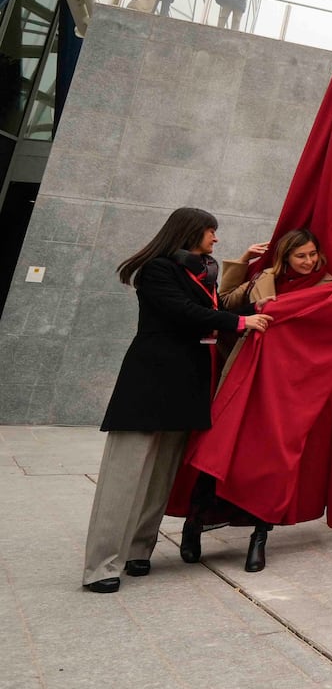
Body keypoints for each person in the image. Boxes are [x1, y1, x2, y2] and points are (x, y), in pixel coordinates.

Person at [81, 208, 272, 592]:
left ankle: (138, 551)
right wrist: (238, 323)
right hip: (149, 384)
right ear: (189, 231)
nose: (215, 239)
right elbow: (183, 312)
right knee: (125, 478)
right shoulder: (158, 270)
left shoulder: (199, 272)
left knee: (160, 478)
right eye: (210, 232)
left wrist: (260, 304)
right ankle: (101, 566)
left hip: (187, 387)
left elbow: (215, 307)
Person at [176, 229, 332, 573]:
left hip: (288, 385)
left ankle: (259, 537)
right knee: (217, 450)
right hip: (243, 375)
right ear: (284, 258)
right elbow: (225, 302)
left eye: (312, 254)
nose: (309, 261)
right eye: (301, 256)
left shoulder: (329, 287)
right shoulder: (265, 278)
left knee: (270, 459)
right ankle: (195, 523)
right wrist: (244, 261)